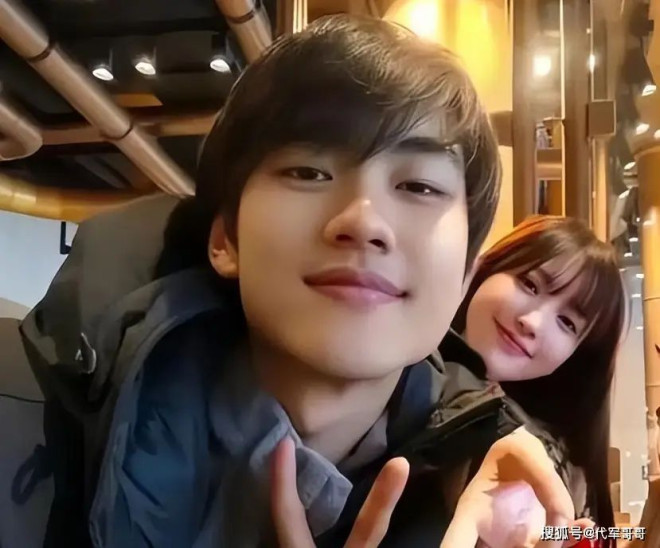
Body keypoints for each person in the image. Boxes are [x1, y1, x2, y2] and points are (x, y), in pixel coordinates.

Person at [2, 15, 574, 548]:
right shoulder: (24, 416)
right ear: (225, 240)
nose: (363, 221)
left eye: (420, 187)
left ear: (466, 273)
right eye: (308, 171)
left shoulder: (492, 508)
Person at [451, 215, 626, 548]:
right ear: (485, 269)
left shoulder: (546, 474)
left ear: (574, 359)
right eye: (529, 285)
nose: (532, 322)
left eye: (567, 323)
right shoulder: (389, 375)